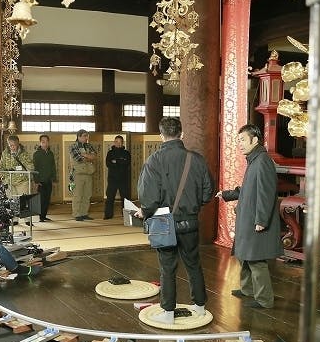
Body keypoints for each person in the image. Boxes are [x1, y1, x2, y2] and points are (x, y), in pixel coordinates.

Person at [137, 117, 215, 325]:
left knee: (167, 267)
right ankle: (199, 306)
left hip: (163, 222)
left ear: (161, 136)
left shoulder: (154, 160)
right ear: (182, 134)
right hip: (190, 221)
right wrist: (193, 205)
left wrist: (144, 212)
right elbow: (208, 192)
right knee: (193, 264)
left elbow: (149, 197)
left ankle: (168, 313)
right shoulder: (196, 160)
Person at [217, 123, 283, 309]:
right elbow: (247, 189)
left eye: (243, 140)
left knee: (256, 259)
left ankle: (264, 299)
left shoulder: (262, 161)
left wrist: (261, 220)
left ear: (255, 140)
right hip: (247, 219)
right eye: (238, 140)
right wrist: (227, 194)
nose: (239, 144)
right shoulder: (254, 160)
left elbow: (266, 193)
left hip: (255, 220)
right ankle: (247, 289)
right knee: (244, 255)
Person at [69, 129, 97, 221]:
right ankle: (77, 214)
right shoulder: (73, 146)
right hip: (78, 174)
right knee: (77, 195)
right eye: (85, 136)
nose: (87, 138)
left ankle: (84, 213)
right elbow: (79, 159)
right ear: (79, 137)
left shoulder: (89, 145)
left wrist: (84, 155)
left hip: (88, 173)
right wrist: (88, 156)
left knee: (87, 195)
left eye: (87, 136)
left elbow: (94, 156)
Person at [104, 135, 131, 220]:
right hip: (112, 179)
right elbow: (108, 164)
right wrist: (120, 161)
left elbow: (127, 163)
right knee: (110, 197)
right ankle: (108, 215)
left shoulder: (126, 153)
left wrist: (116, 161)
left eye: (120, 142)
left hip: (123, 179)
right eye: (116, 142)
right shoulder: (110, 153)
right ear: (114, 142)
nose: (118, 143)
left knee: (125, 198)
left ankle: (126, 215)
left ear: (123, 143)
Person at [32, 134, 56, 222]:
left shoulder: (51, 153)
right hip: (40, 181)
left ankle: (44, 216)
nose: (45, 144)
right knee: (41, 200)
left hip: (49, 180)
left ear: (48, 142)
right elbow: (34, 168)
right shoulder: (37, 154)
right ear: (40, 143)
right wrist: (36, 180)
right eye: (43, 142)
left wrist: (54, 178)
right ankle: (41, 217)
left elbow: (53, 167)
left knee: (47, 199)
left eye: (46, 142)